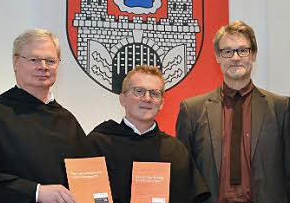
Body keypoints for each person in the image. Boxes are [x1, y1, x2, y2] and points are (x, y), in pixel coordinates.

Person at [176, 21, 290, 203]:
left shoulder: (280, 108)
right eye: (227, 51)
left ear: (253, 55)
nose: (235, 57)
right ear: (217, 57)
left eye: (243, 50)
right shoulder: (192, 110)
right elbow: (185, 174)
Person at [0, 29, 87, 203]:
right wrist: (35, 192)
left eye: (50, 61)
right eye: (34, 59)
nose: (43, 66)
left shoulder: (67, 121)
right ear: (15, 62)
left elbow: (88, 178)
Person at [87, 65, 210, 203]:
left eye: (154, 93)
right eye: (138, 91)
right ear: (122, 99)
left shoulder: (176, 151)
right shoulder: (97, 144)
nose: (147, 98)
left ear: (162, 103)